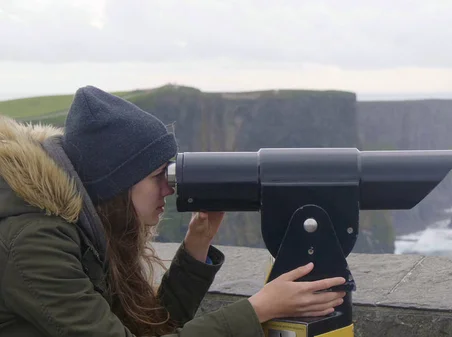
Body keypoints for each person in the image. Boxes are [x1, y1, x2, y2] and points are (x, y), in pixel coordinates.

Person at [0, 86, 347, 337]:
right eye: (157, 177)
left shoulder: (84, 227)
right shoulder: (36, 243)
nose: (169, 188)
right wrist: (259, 309)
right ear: (116, 186)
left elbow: (149, 329)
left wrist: (196, 247)